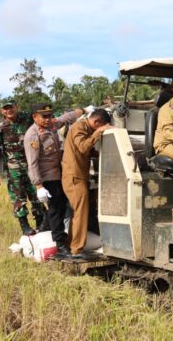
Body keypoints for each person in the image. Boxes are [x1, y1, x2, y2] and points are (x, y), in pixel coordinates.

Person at [24, 103, 87, 257]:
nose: (48, 119)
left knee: (62, 206)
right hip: (47, 178)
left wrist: (84, 111)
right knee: (56, 210)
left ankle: (47, 230)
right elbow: (32, 163)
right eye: (44, 116)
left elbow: (66, 117)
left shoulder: (51, 125)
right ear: (34, 117)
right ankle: (59, 244)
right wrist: (38, 186)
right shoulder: (32, 135)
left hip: (59, 173)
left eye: (50, 116)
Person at [0, 98, 47, 236]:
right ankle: (25, 227)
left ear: (16, 107)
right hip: (13, 167)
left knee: (36, 195)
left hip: (31, 165)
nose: (8, 110)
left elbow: (42, 118)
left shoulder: (28, 118)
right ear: (1, 111)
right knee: (18, 197)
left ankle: (41, 224)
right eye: (5, 108)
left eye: (11, 107)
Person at [62, 109, 113, 258]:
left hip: (78, 176)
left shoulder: (85, 128)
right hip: (74, 177)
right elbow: (83, 147)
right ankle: (76, 249)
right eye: (100, 126)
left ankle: (72, 244)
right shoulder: (79, 127)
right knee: (80, 213)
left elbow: (87, 150)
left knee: (79, 213)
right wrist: (98, 133)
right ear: (97, 122)